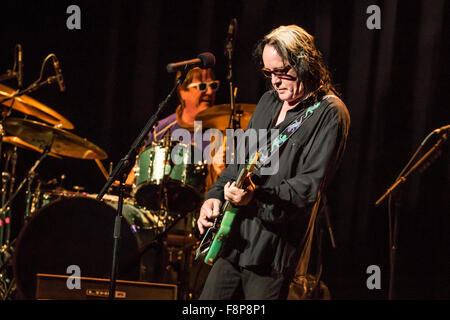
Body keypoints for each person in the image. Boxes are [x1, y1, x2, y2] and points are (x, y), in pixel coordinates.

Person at [197, 25, 350, 300]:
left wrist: (254, 199)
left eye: (282, 72)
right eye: (269, 73)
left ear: (305, 64)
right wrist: (214, 195)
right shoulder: (268, 101)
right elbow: (239, 162)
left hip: (272, 252)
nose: (275, 81)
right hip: (234, 240)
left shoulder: (330, 113)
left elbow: (307, 188)